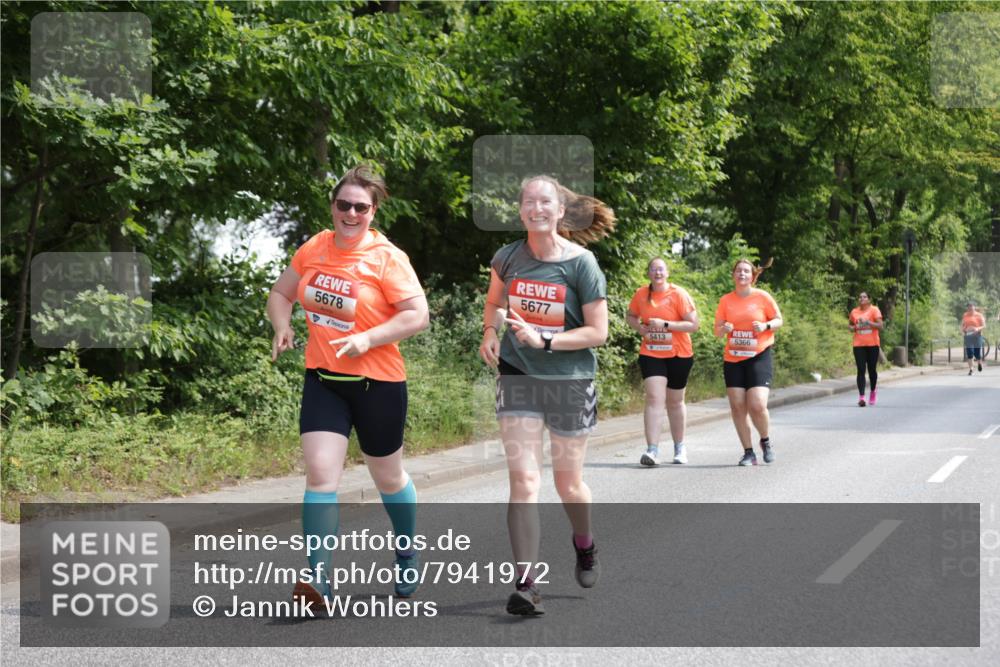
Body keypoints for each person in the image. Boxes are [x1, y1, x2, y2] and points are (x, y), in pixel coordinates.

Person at [267, 165, 429, 607]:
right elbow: (281, 293)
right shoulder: (315, 247)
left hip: (378, 384)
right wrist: (282, 326)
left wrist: (368, 338)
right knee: (321, 476)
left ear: (373, 212)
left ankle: (407, 550)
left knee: (389, 477)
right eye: (344, 204)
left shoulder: (386, 257)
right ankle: (318, 579)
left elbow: (418, 315)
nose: (351, 213)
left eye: (361, 206)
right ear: (333, 206)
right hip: (323, 380)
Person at [479, 175, 614, 616]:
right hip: (518, 374)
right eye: (528, 201)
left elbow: (599, 331)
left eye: (545, 202)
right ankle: (526, 584)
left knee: (567, 484)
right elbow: (496, 301)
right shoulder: (507, 257)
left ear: (559, 212)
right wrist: (490, 332)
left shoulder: (581, 263)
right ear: (520, 211)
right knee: (523, 480)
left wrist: (548, 341)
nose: (536, 208)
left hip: (570, 381)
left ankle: (585, 543)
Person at [626, 258, 700, 466]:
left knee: (675, 402)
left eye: (661, 269)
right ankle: (652, 450)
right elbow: (630, 316)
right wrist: (641, 329)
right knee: (654, 398)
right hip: (652, 353)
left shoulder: (678, 294)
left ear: (667, 273)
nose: (657, 273)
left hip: (679, 354)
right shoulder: (641, 294)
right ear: (648, 273)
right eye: (653, 269)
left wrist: (666, 324)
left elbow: (693, 325)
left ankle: (679, 448)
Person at [713, 258, 783, 466]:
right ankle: (748, 452)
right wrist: (723, 329)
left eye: (746, 271)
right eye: (738, 271)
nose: (742, 274)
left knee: (757, 404)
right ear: (733, 275)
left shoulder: (762, 297)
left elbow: (779, 320)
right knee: (737, 406)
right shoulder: (726, 300)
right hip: (733, 358)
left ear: (752, 276)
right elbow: (716, 331)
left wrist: (765, 326)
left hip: (758, 355)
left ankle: (765, 441)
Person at [849, 292, 884, 406]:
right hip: (858, 345)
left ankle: (873, 391)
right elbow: (850, 325)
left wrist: (868, 322)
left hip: (873, 344)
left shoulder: (874, 310)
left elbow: (880, 326)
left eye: (864, 297)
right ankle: (862, 397)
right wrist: (854, 327)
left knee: (872, 370)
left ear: (869, 299)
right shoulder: (854, 312)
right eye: (860, 297)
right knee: (860, 370)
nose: (862, 298)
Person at [961, 301, 986, 375]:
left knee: (977, 352)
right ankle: (971, 369)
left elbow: (984, 325)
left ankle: (979, 363)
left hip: (977, 335)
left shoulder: (979, 315)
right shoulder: (965, 315)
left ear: (974, 307)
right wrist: (963, 330)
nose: (970, 307)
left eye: (972, 306)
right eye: (969, 306)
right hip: (968, 335)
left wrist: (977, 328)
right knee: (969, 352)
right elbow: (963, 325)